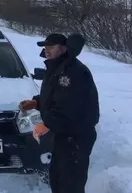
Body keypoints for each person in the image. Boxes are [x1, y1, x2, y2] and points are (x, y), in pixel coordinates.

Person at [19, 33, 99, 193]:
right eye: (45, 47)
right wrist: (36, 102)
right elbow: (55, 97)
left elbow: (68, 107)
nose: (47, 50)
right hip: (64, 134)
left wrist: (47, 123)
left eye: (51, 47)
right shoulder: (57, 68)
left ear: (63, 49)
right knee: (57, 178)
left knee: (71, 183)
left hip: (77, 136)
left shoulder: (74, 72)